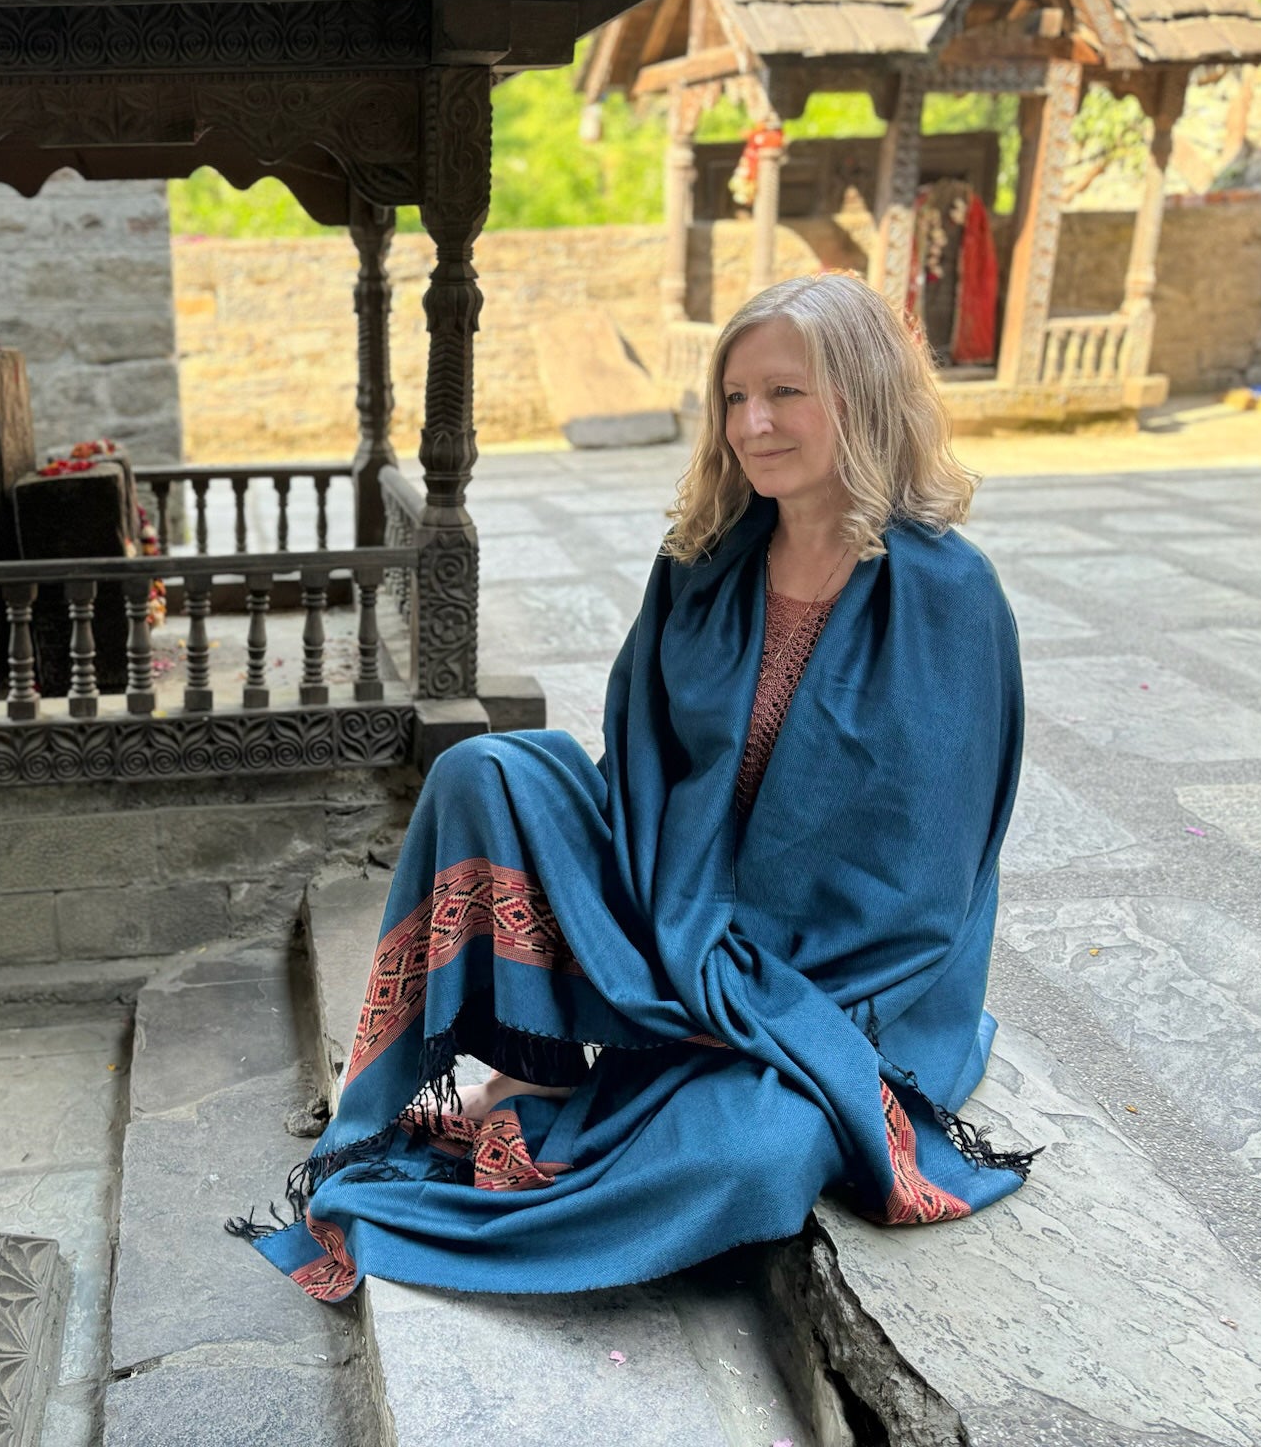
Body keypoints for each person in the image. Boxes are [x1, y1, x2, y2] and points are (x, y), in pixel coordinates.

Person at [233, 272, 1036, 1302]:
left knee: (750, 1159)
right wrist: (668, 929)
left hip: (827, 973)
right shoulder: (701, 562)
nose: (751, 422)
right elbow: (639, 774)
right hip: (671, 898)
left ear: (863, 393)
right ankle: (536, 1059)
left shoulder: (945, 596)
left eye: (785, 393)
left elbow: (927, 888)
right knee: (487, 768)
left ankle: (623, 1082)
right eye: (733, 396)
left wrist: (741, 995)